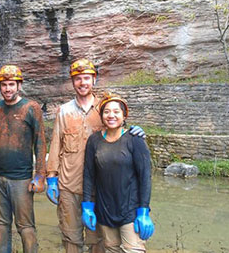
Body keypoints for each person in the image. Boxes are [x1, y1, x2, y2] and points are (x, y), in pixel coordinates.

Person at [46, 58, 146, 253]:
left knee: (99, 240)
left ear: (94, 80)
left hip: (100, 188)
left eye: (86, 78)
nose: (82, 83)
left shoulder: (105, 109)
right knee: (71, 237)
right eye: (78, 79)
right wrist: (51, 178)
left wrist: (136, 131)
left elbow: (119, 130)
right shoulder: (64, 111)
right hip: (69, 186)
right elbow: (56, 144)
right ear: (72, 82)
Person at [0, 65, 47, 253]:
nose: (7, 89)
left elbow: (40, 142)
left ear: (19, 85)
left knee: (25, 226)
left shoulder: (31, 108)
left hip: (22, 179)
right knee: (1, 225)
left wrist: (40, 175)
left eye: (11, 84)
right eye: (4, 85)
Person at [82, 93, 154, 253]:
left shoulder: (135, 139)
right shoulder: (94, 141)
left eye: (116, 111)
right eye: (106, 112)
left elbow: (145, 177)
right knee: (111, 250)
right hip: (105, 209)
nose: (111, 115)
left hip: (130, 210)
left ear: (124, 115)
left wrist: (144, 210)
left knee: (133, 250)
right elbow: (88, 175)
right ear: (101, 116)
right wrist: (87, 206)